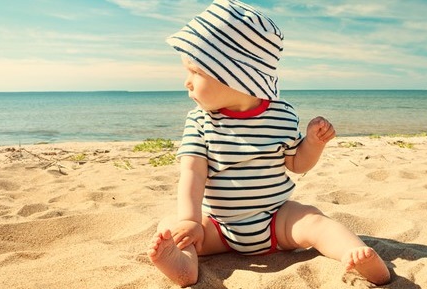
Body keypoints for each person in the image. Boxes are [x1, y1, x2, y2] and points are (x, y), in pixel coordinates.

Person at [147, 0, 391, 286]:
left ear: (235, 75)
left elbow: (297, 164)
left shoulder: (282, 114)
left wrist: (313, 144)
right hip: (218, 227)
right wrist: (189, 220)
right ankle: (184, 265)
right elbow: (193, 174)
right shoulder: (200, 122)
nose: (186, 82)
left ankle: (355, 254)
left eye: (195, 72)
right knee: (173, 227)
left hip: (276, 219)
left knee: (314, 220)